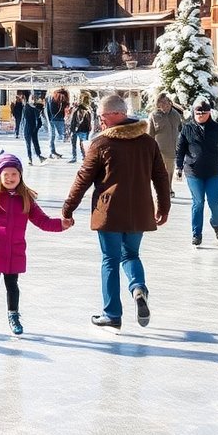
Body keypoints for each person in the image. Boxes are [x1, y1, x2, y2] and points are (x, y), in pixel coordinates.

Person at [63, 94, 171, 331]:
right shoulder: (147, 142)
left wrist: (68, 209)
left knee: (110, 260)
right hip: (139, 211)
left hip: (109, 212)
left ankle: (112, 313)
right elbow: (161, 177)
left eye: (102, 116)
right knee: (131, 255)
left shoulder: (102, 144)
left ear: (116, 114)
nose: (100, 121)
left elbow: (83, 179)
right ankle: (138, 288)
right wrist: (164, 207)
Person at [0, 152, 71, 336]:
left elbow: (43, 221)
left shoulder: (26, 200)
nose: (10, 178)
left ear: (20, 176)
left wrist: (61, 224)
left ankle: (13, 316)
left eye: (14, 174)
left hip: (15, 251)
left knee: (12, 285)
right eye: (6, 175)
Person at [175, 99, 218, 247]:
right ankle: (196, 234)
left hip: (214, 171)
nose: (200, 115)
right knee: (198, 203)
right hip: (193, 172)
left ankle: (216, 224)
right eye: (197, 112)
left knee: (215, 204)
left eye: (204, 113)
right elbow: (180, 149)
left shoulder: (217, 128)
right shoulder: (187, 128)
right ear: (194, 112)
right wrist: (179, 167)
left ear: (209, 113)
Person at [147, 94, 182, 185]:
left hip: (171, 150)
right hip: (158, 150)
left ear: (170, 103)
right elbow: (150, 134)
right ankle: (160, 192)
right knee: (159, 173)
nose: (164, 105)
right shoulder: (154, 116)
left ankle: (168, 190)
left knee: (169, 172)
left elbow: (181, 129)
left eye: (166, 102)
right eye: (161, 103)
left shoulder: (176, 115)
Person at [67, 93, 94, 163]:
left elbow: (73, 119)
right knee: (83, 145)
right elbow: (88, 121)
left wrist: (72, 129)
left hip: (77, 129)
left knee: (76, 144)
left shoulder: (77, 109)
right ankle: (84, 157)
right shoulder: (87, 109)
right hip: (83, 129)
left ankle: (75, 157)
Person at [45, 88, 69, 159]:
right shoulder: (51, 99)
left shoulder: (61, 100)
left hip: (57, 119)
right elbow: (49, 110)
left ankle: (52, 151)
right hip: (54, 119)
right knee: (55, 136)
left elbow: (48, 110)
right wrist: (49, 119)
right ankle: (52, 151)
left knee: (55, 136)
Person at [22, 96, 44, 166]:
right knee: (30, 143)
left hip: (32, 128)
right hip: (29, 128)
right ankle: (31, 158)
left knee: (34, 142)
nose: (34, 100)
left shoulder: (33, 108)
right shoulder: (28, 108)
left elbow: (39, 119)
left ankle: (38, 156)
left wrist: (38, 126)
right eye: (32, 99)